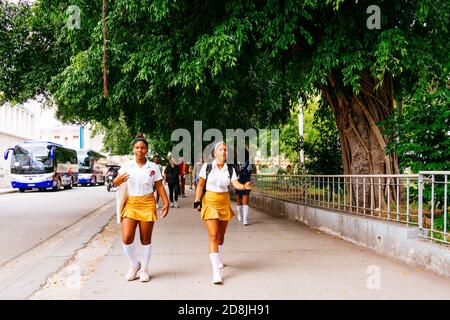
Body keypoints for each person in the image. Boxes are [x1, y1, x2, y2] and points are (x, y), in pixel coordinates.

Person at [113, 135, 170, 282]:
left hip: (147, 203)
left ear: (147, 150)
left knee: (145, 239)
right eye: (137, 147)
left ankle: (144, 268)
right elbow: (116, 181)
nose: (140, 150)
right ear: (133, 149)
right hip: (131, 203)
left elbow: (159, 185)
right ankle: (134, 264)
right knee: (127, 237)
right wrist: (116, 181)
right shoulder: (127, 166)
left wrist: (166, 202)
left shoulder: (153, 167)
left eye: (143, 147)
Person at [194, 142, 252, 284]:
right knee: (213, 235)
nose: (224, 152)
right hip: (210, 202)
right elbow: (201, 184)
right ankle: (216, 273)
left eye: (225, 150)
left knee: (221, 236)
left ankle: (218, 256)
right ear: (215, 153)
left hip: (223, 202)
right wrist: (197, 200)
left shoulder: (231, 169)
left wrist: (244, 186)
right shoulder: (207, 167)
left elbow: (235, 183)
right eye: (221, 149)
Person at [234, 147, 257, 226]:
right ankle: (239, 215)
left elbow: (254, 171)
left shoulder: (250, 163)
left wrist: (253, 182)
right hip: (238, 183)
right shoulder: (236, 163)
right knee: (238, 201)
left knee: (245, 201)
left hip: (247, 183)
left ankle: (245, 219)